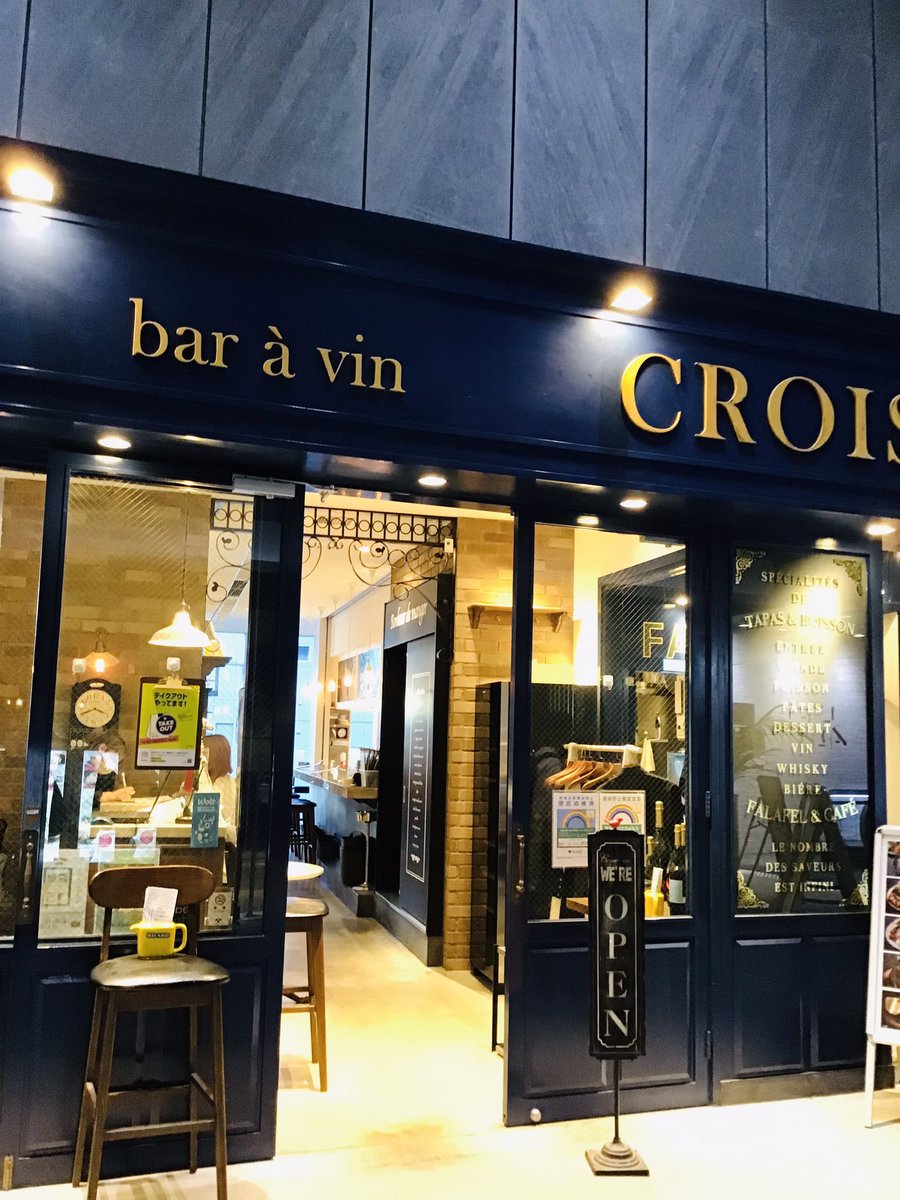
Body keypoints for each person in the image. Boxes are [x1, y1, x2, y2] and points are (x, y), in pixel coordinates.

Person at [203, 733, 237, 833]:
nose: (201, 756)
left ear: (215, 756)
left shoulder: (226, 784)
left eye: (204, 752)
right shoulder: (208, 779)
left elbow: (221, 816)